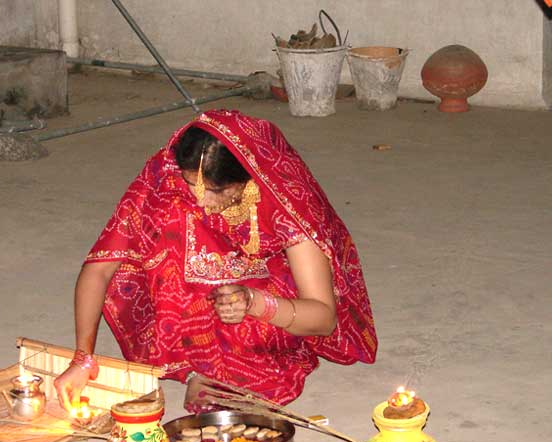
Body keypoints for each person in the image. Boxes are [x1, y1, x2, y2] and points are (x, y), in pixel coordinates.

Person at [54, 109, 377, 412]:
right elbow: (100, 268)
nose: (201, 202)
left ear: (247, 178)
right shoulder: (165, 176)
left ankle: (225, 366)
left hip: (265, 297)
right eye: (191, 184)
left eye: (215, 190)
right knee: (165, 222)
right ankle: (196, 366)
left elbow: (323, 319)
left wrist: (254, 302)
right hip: (186, 310)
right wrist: (83, 358)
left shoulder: (287, 202)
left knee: (247, 325)